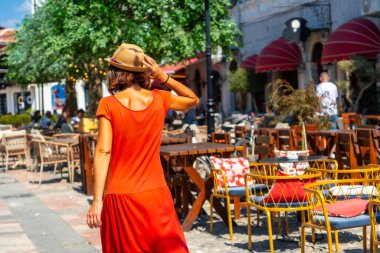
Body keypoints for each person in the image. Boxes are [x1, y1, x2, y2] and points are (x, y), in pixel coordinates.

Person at [86, 43, 198, 252]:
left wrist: (96, 201)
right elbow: (193, 99)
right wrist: (162, 76)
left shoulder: (109, 104)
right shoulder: (159, 98)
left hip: (121, 195)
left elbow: (103, 151)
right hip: (156, 193)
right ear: (140, 73)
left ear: (117, 73)